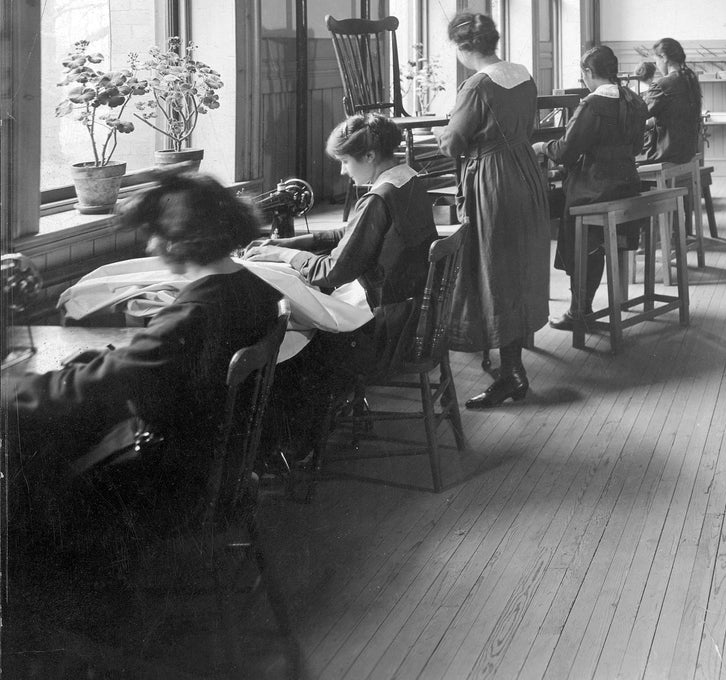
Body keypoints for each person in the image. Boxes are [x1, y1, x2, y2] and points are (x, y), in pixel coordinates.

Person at [6, 174, 283, 546]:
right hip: (221, 470)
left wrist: (12, 388)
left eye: (154, 234)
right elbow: (142, 366)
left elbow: (105, 383)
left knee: (31, 477)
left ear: (176, 238)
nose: (151, 245)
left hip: (176, 486)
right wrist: (105, 362)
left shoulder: (193, 314)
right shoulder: (256, 289)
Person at [245, 113, 439, 445]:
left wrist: (282, 256)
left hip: (386, 335)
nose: (342, 170)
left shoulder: (378, 198)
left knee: (295, 342)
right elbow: (351, 233)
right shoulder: (407, 180)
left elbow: (331, 272)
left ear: (369, 156)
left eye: (345, 161)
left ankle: (300, 443)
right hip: (413, 317)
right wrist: (291, 242)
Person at [440, 11, 551, 409]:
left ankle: (511, 375)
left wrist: (446, 135)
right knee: (516, 269)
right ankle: (511, 365)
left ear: (463, 47)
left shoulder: (475, 85)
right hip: (525, 173)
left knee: (494, 270)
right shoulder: (522, 74)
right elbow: (529, 127)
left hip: (494, 181)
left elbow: (454, 143)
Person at [535, 45, 648, 329]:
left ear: (587, 72)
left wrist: (541, 146)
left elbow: (564, 153)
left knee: (566, 213)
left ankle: (578, 310)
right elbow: (636, 147)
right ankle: (584, 304)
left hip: (595, 189)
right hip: (627, 186)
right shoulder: (635, 100)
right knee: (575, 212)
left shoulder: (592, 105)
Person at [640, 37, 703, 164]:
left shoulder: (663, 84)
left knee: (620, 156)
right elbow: (673, 114)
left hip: (665, 151)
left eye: (656, 61)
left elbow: (640, 114)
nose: (657, 66)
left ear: (663, 57)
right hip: (687, 150)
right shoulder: (690, 78)